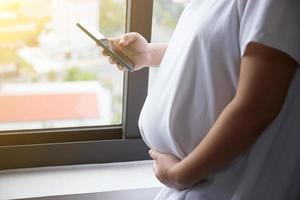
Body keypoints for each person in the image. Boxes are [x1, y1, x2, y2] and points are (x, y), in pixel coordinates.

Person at [102, 0, 300, 199]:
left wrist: (180, 174)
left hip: (233, 186)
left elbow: (257, 106)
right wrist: (148, 54)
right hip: (196, 187)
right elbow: (219, 48)